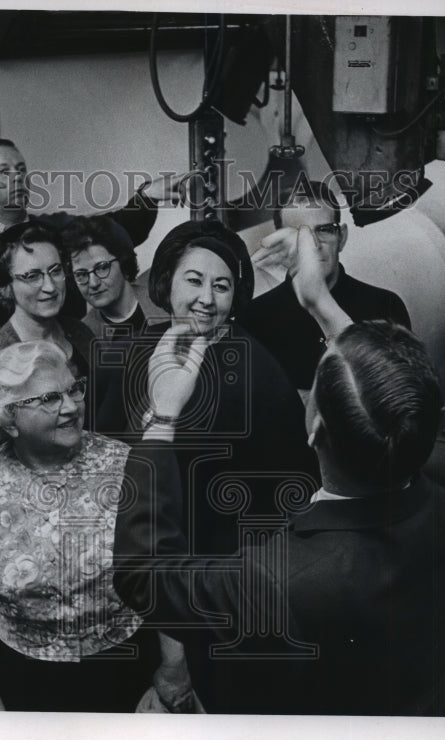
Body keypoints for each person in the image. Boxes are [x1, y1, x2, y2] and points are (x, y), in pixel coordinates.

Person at [113, 321, 445, 714]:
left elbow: (141, 573)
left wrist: (161, 420)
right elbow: (404, 417)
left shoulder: (277, 582)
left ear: (315, 429)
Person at [0, 341, 194, 712]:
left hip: (126, 666)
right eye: (49, 398)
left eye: (74, 388)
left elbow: (168, 574)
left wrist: (174, 670)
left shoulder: (128, 467)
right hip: (25, 677)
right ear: (8, 419)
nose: (72, 407)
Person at [95, 219, 319, 559]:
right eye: (194, 281)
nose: (206, 299)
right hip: (132, 545)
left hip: (223, 564)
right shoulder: (124, 356)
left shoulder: (259, 370)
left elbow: (292, 488)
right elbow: (100, 459)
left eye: (222, 286)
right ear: (167, 281)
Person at [0, 138, 180, 322]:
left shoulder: (55, 230)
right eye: (4, 172)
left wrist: (148, 197)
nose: (17, 178)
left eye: (21, 170)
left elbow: (118, 229)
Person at [238, 179, 411, 390]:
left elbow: (401, 398)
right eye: (298, 234)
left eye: (324, 230)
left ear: (342, 237)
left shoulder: (385, 308)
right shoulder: (254, 320)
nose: (313, 244)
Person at [0, 222, 96, 440]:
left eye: (56, 271)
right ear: (6, 286)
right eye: (32, 276)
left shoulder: (79, 331)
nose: (50, 287)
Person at [61, 216, 163, 339]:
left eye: (102, 267)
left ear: (123, 262)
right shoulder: (84, 335)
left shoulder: (164, 299)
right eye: (81, 274)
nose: (93, 283)